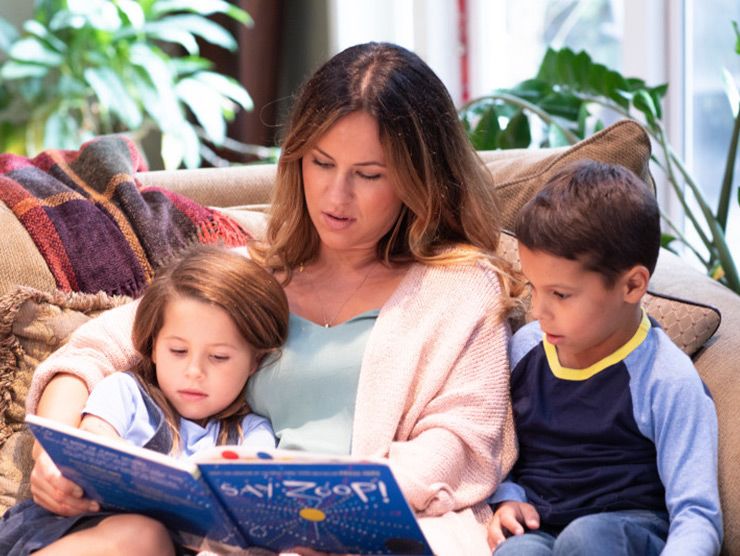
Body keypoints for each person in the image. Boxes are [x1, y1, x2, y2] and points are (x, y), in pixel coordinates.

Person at [24, 42, 524, 555]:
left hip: (376, 530)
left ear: (420, 178)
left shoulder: (462, 289)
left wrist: (323, 506)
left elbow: (461, 444)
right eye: (321, 163)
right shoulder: (251, 274)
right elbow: (94, 349)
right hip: (223, 538)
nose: (336, 196)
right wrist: (60, 447)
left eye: (369, 175)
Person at [487, 160, 722, 555]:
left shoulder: (666, 379)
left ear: (632, 285)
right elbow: (499, 447)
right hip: (541, 526)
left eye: (560, 294)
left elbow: (696, 513)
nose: (538, 310)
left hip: (627, 530)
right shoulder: (526, 347)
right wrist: (506, 498)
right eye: (534, 288)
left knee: (587, 538)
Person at [1, 245, 289, 556]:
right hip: (83, 529)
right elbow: (94, 438)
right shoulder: (126, 393)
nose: (194, 372)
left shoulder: (254, 432)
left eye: (219, 357)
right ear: (152, 347)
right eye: (177, 351)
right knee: (144, 536)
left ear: (254, 363)